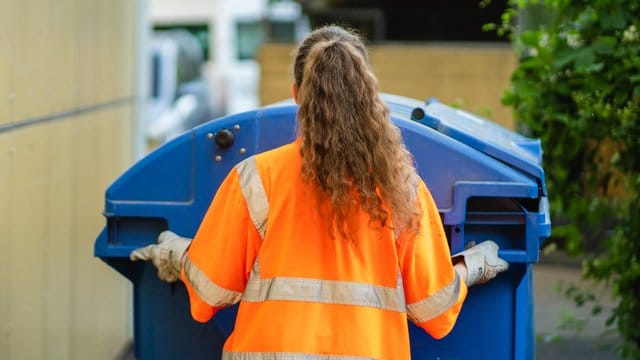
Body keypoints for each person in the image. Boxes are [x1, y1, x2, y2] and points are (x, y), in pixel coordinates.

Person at [130, 25, 508, 359]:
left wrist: (174, 254)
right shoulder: (400, 188)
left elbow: (209, 292)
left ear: (297, 94)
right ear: (367, 94)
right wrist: (473, 265)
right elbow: (435, 312)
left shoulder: (256, 178)